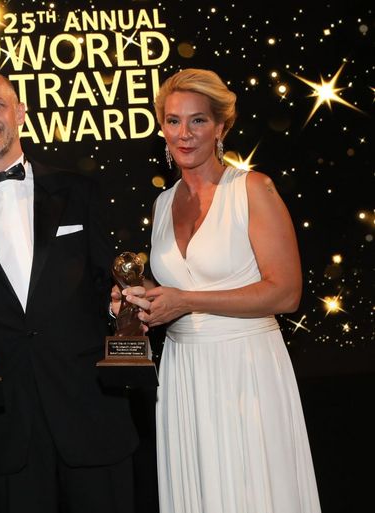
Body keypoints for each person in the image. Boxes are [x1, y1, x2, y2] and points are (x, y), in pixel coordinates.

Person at [0, 71, 138, 513]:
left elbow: (110, 284)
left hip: (88, 405)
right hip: (7, 422)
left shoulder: (79, 190)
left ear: (20, 113)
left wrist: (121, 306)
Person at [114, 68, 321, 512]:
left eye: (198, 121)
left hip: (246, 366)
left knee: (253, 490)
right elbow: (178, 286)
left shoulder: (252, 189)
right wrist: (138, 297)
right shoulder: (163, 202)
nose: (184, 133)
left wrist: (186, 302)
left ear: (221, 127)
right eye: (173, 121)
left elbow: (286, 293)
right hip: (184, 371)